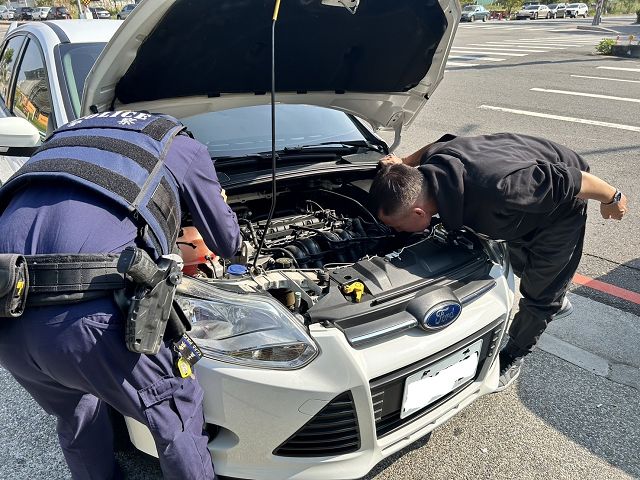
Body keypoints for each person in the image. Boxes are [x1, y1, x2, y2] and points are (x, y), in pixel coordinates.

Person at [0, 111, 241, 479]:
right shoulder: (181, 145)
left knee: (75, 412)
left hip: (7, 318)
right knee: (176, 411)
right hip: (87, 324)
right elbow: (228, 243)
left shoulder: (65, 138)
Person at [369, 132, 628, 391]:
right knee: (515, 252)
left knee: (541, 292)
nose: (398, 231)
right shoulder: (432, 165)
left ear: (419, 212)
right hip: (519, 198)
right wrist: (402, 161)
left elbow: (571, 180)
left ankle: (516, 351)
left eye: (398, 225)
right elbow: (436, 144)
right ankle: (550, 295)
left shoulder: (502, 187)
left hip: (562, 204)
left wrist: (612, 199)